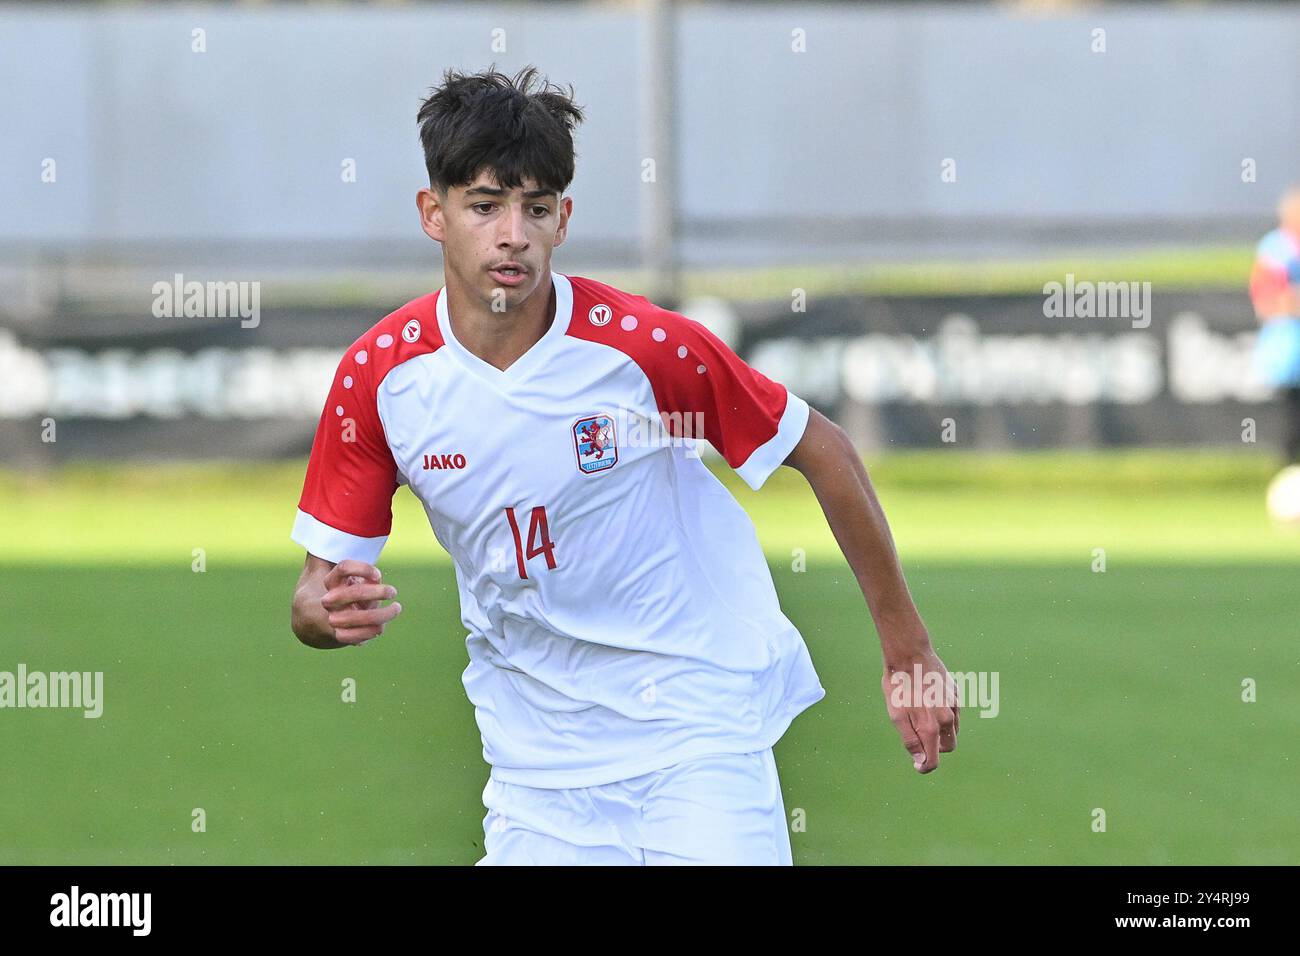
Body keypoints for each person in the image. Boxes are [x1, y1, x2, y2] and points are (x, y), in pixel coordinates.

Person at [288, 65, 957, 865]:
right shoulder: (382, 379)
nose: (513, 233)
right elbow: (316, 590)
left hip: (696, 740)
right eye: (485, 206)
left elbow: (824, 452)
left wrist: (908, 649)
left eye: (536, 208)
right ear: (434, 214)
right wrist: (321, 616)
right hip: (535, 778)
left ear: (563, 218)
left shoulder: (642, 350)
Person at [1249, 186, 1300, 462]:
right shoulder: (1275, 249)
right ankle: (1288, 469)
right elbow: (1267, 300)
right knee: (1291, 414)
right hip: (1289, 348)